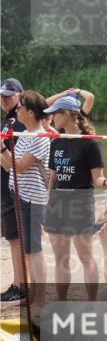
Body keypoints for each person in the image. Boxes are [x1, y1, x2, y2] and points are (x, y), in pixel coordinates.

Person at [44, 96, 107, 301]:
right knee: (61, 258)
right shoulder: (56, 141)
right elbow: (53, 178)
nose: (52, 117)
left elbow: (98, 178)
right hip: (58, 201)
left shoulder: (90, 143)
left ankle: (92, 303)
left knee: (86, 257)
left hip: (80, 200)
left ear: (66, 114)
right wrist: (49, 205)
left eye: (55, 113)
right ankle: (61, 302)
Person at [0, 91, 51, 303]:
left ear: (30, 112)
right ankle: (35, 294)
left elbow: (19, 167)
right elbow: (8, 166)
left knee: (33, 250)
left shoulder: (38, 136)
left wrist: (2, 147)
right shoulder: (26, 135)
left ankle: (40, 296)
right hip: (20, 197)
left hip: (33, 199)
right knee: (28, 250)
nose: (17, 111)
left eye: (20, 107)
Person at [1, 78, 28, 302]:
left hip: (13, 188)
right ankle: (19, 283)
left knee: (15, 237)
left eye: (8, 95)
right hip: (6, 189)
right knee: (12, 236)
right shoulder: (9, 119)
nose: (3, 99)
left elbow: (11, 165)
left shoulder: (19, 122)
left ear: (20, 95)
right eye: (1, 95)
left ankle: (20, 286)